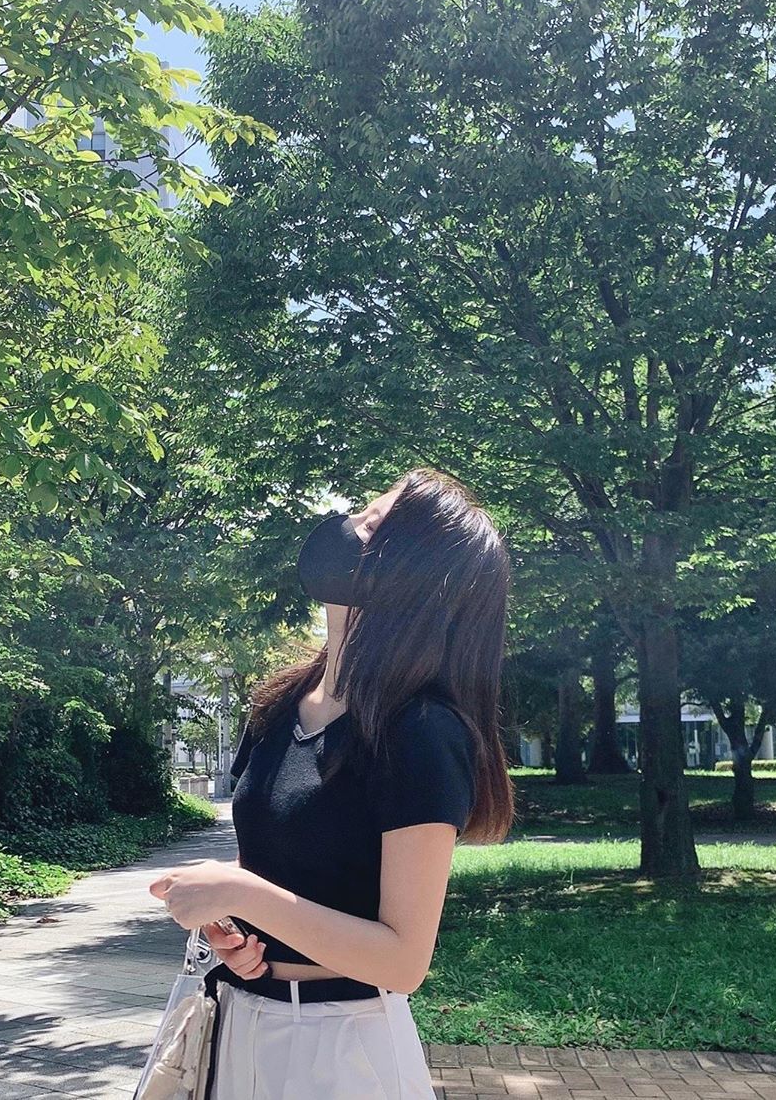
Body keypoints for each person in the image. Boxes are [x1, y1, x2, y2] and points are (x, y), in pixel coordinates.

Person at [150, 466, 515, 1099]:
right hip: (239, 1025)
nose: (345, 528)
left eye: (370, 523)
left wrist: (241, 891)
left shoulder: (420, 731)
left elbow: (403, 960)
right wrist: (230, 921)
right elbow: (278, 874)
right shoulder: (278, 705)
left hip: (343, 1049)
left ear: (408, 576)